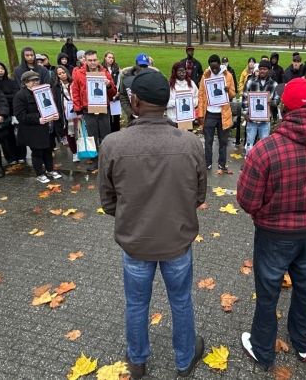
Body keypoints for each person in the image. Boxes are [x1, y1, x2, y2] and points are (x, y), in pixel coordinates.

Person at [98, 69, 207, 379]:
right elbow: (199, 196)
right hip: (176, 240)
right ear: (167, 100)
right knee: (181, 301)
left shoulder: (113, 143)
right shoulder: (191, 143)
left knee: (136, 303)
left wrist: (131, 217)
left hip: (136, 242)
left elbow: (108, 202)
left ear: (135, 101)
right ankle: (184, 359)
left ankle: (137, 362)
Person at [237, 78, 306, 371]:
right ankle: (303, 344)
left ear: (284, 108)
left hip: (273, 235)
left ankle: (263, 349)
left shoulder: (265, 150)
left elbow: (248, 200)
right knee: (304, 288)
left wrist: (268, 211)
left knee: (268, 293)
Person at [15, 71, 63, 184]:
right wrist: (37, 118)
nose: (35, 82)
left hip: (48, 128)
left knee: (48, 150)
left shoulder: (44, 92)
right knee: (37, 152)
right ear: (26, 83)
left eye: (37, 80)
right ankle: (40, 173)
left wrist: (56, 115)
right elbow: (20, 115)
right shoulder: (20, 95)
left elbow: (52, 106)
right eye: (32, 80)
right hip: (34, 130)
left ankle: (50, 170)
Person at [72, 50, 117, 169]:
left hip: (103, 108)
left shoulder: (105, 72)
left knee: (106, 135)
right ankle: (96, 160)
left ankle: (107, 159)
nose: (93, 63)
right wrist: (78, 111)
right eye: (90, 60)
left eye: (95, 60)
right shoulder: (79, 73)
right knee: (92, 136)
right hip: (88, 110)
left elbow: (114, 92)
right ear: (85, 61)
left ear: (98, 59)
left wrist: (108, 85)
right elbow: (75, 92)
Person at [198, 55, 236, 173]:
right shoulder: (205, 76)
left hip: (223, 114)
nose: (214, 70)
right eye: (212, 68)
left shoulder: (228, 76)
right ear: (209, 66)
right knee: (208, 140)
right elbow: (201, 96)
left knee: (223, 141)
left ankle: (222, 163)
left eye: (216, 67)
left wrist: (227, 91)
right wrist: (200, 114)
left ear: (220, 65)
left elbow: (233, 94)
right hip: (209, 113)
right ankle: (208, 163)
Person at [241, 59, 277, 156]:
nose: (262, 71)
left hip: (265, 122)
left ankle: (262, 165)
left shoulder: (274, 84)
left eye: (264, 69)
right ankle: (248, 162)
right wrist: (245, 113)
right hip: (251, 120)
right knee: (249, 143)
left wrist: (272, 102)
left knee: (264, 145)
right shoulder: (250, 82)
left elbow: (277, 100)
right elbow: (244, 98)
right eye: (260, 69)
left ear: (269, 71)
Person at [0, 61, 20, 165]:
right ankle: (10, 158)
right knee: (5, 137)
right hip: (1, 113)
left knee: (16, 135)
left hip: (13, 111)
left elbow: (16, 95)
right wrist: (5, 97)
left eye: (2, 68)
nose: (0, 71)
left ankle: (20, 155)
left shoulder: (11, 82)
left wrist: (2, 97)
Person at [118, 54, 157, 124]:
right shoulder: (126, 78)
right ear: (136, 64)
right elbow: (123, 96)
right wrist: (130, 112)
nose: (142, 69)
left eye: (145, 66)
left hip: (149, 117)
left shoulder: (152, 78)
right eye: (141, 66)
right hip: (132, 118)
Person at [54, 65, 79, 162]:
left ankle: (84, 150)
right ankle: (74, 153)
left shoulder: (74, 83)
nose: (62, 75)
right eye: (59, 74)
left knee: (80, 132)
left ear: (67, 72)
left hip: (77, 111)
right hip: (65, 114)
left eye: (63, 73)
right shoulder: (56, 88)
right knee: (69, 134)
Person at [102, 51, 122, 133]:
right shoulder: (102, 69)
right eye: (109, 57)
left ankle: (117, 132)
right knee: (108, 117)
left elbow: (120, 81)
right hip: (106, 96)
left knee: (116, 117)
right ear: (105, 58)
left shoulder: (117, 69)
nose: (111, 59)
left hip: (116, 96)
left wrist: (118, 92)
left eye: (112, 58)